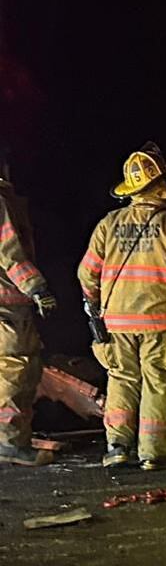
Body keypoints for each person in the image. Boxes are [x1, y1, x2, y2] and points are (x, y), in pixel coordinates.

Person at [78, 143, 166, 470]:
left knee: (120, 380)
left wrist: (95, 306)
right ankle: (154, 453)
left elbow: (87, 273)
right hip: (161, 323)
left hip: (115, 324)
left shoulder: (108, 225)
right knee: (157, 381)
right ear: (161, 185)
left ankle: (117, 448)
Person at [0, 146, 57, 466]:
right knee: (14, 373)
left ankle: (12, 441)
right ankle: (9, 443)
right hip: (7, 306)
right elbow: (10, 251)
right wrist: (37, 288)